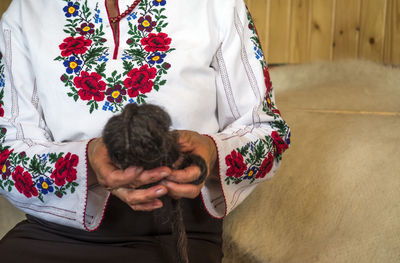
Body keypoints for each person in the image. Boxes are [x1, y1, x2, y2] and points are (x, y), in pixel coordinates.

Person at [0, 0, 290, 262]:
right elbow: (7, 152)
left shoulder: (217, 5)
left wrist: (211, 154)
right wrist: (88, 161)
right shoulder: (26, 11)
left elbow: (268, 133)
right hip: (55, 233)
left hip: (175, 234)